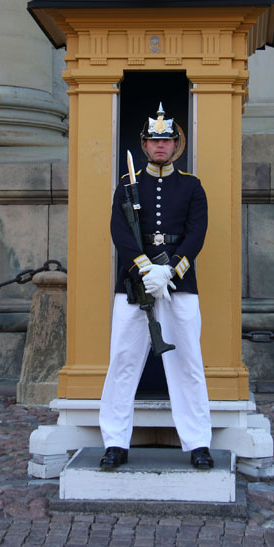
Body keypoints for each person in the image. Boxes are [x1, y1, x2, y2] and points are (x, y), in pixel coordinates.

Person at [98, 103, 213, 471]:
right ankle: (115, 441)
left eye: (166, 140)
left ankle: (197, 442)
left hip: (178, 284)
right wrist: (145, 268)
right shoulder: (128, 185)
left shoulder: (192, 186)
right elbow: (120, 231)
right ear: (144, 145)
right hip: (135, 283)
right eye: (153, 141)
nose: (160, 146)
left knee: (188, 363)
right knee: (123, 361)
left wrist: (171, 271)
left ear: (176, 144)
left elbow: (196, 233)